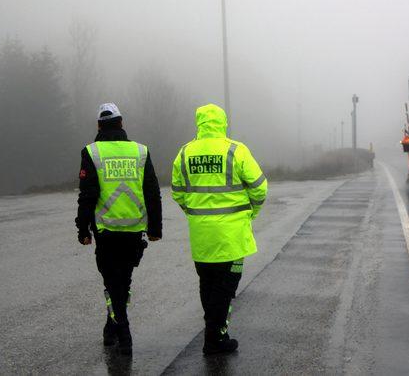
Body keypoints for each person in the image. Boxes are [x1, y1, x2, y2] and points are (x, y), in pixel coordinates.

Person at [171, 104, 268, 355]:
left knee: (208, 285)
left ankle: (215, 334)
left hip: (201, 236)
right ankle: (214, 339)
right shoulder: (236, 150)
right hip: (232, 237)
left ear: (199, 123)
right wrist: (250, 213)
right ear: (223, 122)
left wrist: (194, 213)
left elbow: (178, 192)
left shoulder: (184, 153)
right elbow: (260, 187)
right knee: (225, 288)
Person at [75, 103, 162, 355]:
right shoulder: (140, 151)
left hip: (106, 230)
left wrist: (83, 229)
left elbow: (87, 195)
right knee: (121, 281)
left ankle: (122, 331)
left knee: (114, 282)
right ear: (122, 123)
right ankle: (111, 328)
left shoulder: (91, 152)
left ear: (99, 126)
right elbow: (152, 192)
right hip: (134, 230)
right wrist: (155, 227)